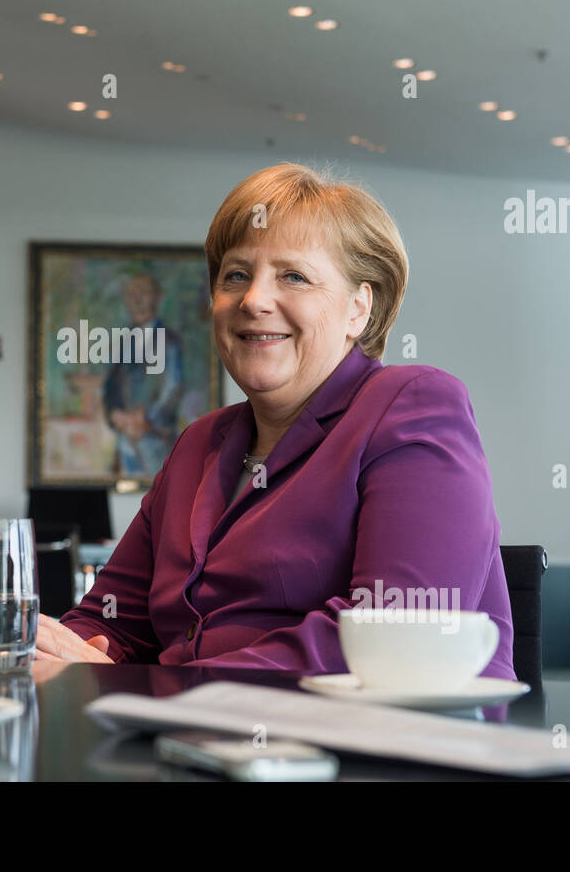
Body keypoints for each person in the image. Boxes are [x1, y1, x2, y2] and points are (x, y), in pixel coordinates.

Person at [37, 162, 516, 680]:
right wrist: (43, 647)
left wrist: (169, 685)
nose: (253, 300)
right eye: (236, 275)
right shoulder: (198, 444)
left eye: (293, 276)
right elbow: (112, 623)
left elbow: (398, 636)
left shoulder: (412, 405)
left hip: (383, 751)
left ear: (359, 308)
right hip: (193, 744)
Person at [102, 273, 184, 478]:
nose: (137, 300)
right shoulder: (122, 342)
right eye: (131, 295)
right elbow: (110, 385)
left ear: (157, 298)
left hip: (156, 442)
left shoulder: (170, 341)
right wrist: (114, 414)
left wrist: (147, 418)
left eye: (143, 293)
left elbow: (172, 389)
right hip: (125, 442)